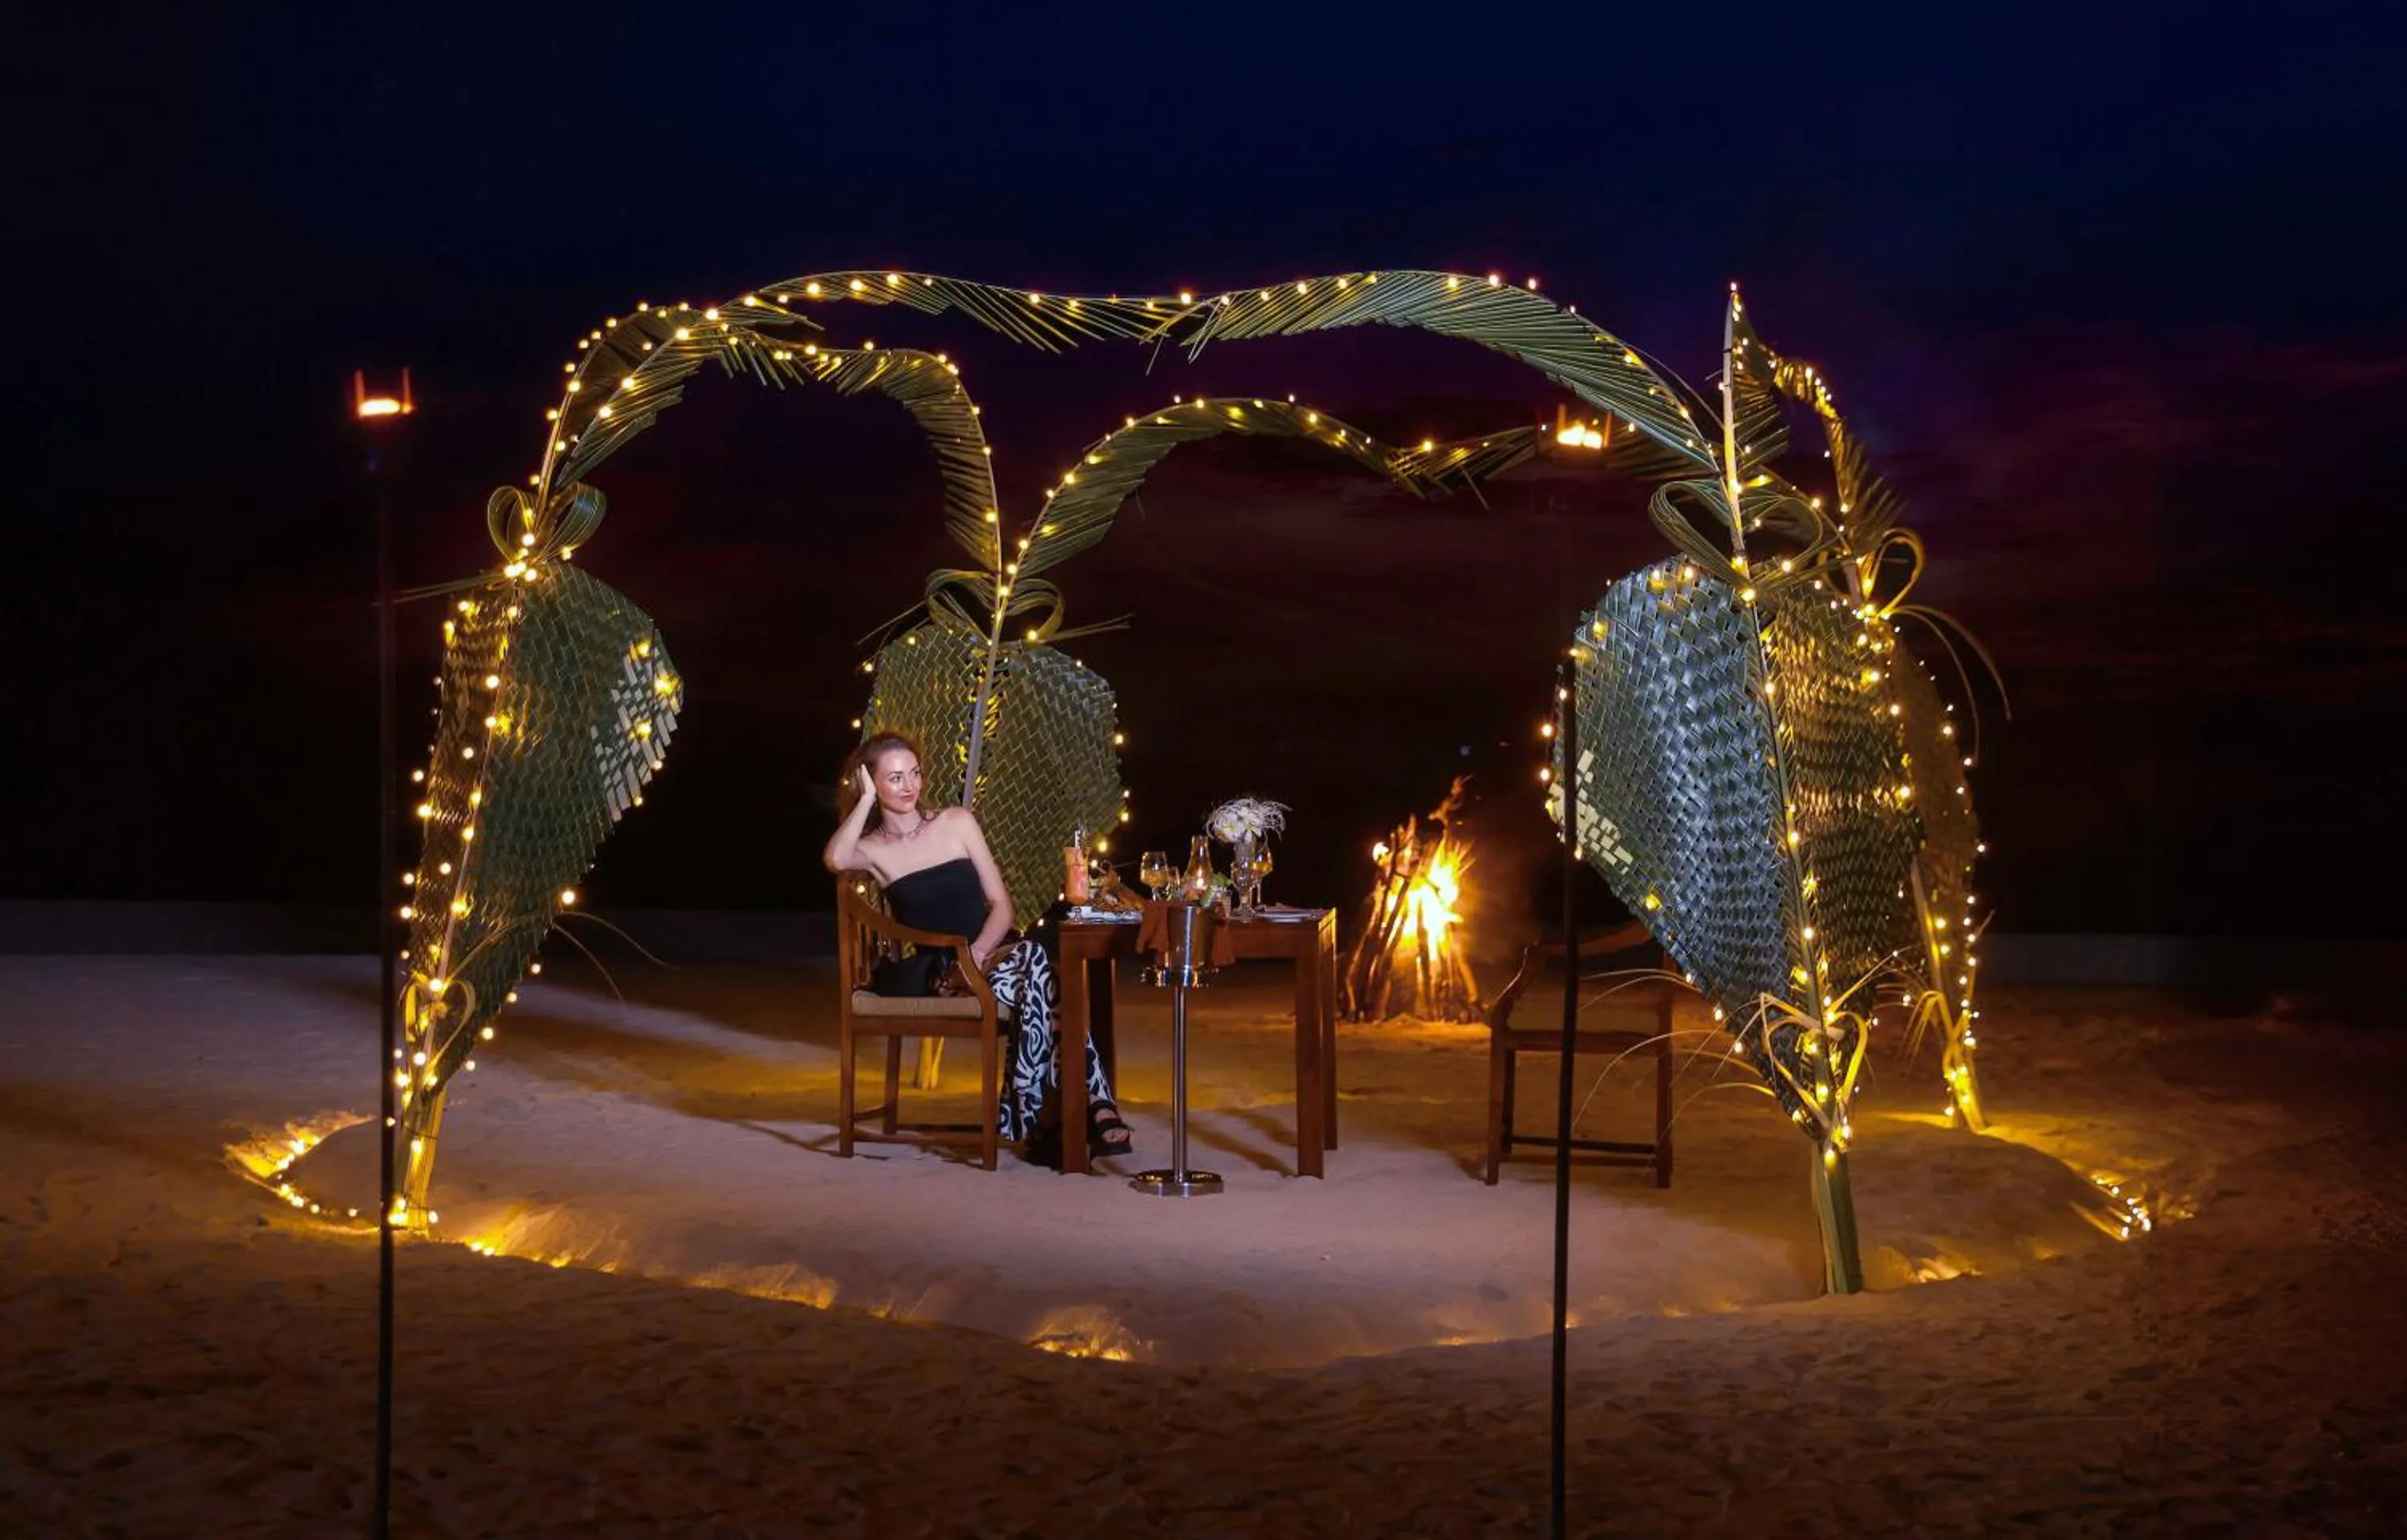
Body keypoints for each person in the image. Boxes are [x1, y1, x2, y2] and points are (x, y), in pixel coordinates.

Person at [822, 730, 1134, 1162]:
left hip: (991, 955)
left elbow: (1002, 906)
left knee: (1032, 961)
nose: (910, 786)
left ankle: (1046, 1116)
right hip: (943, 973)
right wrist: (862, 801)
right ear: (872, 783)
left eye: (914, 773)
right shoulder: (873, 850)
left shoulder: (956, 822)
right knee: (1044, 976)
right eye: (894, 779)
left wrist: (979, 956)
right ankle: (1084, 1108)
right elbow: (835, 859)